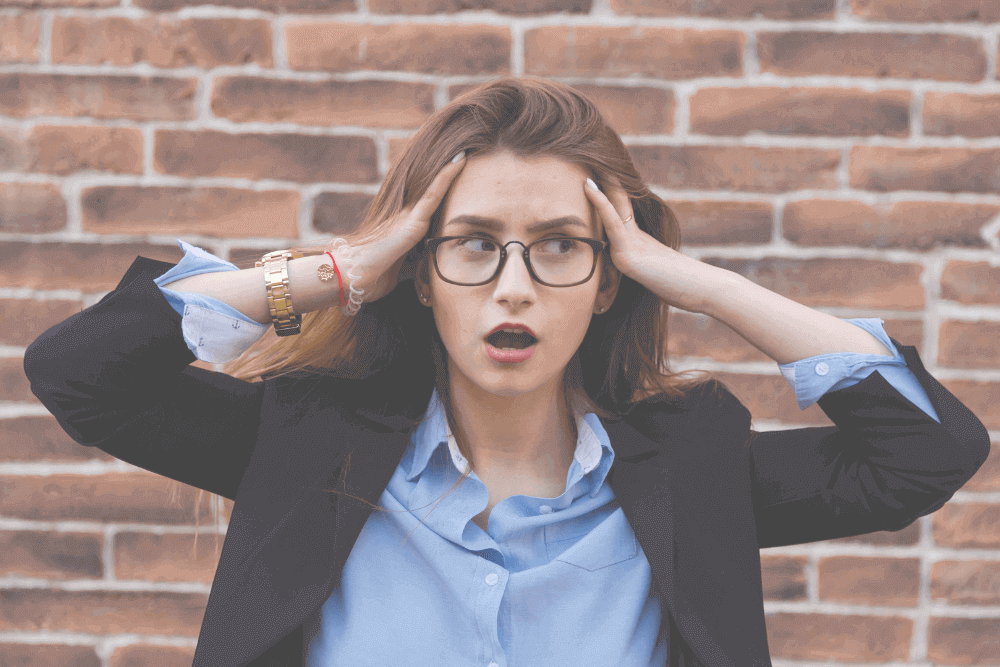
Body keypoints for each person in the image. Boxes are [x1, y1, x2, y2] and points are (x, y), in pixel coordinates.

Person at [24, 77, 988, 667]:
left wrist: (693, 281)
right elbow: (81, 373)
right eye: (474, 245)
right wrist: (342, 270)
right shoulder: (306, 448)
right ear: (421, 277)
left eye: (562, 247)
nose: (514, 287)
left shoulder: (690, 472)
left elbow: (926, 450)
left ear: (609, 282)